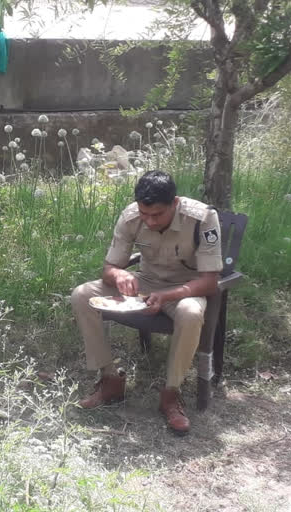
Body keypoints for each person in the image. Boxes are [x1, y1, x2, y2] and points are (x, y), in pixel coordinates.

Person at [70, 170, 222, 434]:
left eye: (158, 214)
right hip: (146, 284)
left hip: (185, 289)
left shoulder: (203, 218)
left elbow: (210, 281)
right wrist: (119, 275)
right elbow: (109, 268)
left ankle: (171, 394)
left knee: (190, 312)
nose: (150, 221)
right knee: (82, 294)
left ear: (174, 203)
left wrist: (170, 295)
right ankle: (109, 380)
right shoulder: (130, 217)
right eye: (145, 214)